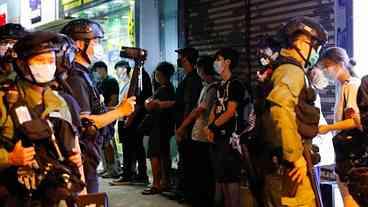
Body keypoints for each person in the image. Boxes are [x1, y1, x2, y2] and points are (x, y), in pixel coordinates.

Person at [0, 31, 84, 206]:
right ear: (23, 65)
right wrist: (10, 158)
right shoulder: (4, 101)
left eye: (51, 61)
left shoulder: (60, 102)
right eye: (40, 61)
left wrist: (83, 192)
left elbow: (75, 151)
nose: (47, 66)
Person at [258, 17, 328, 207]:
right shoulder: (291, 70)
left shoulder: (286, 69)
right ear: (302, 43)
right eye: (315, 47)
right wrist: (296, 158)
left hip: (287, 162)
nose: (316, 53)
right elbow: (280, 109)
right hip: (291, 167)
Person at [61, 19, 136, 193]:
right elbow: (86, 122)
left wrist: (112, 110)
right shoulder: (75, 77)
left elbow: (93, 110)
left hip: (90, 155)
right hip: (82, 156)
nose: (98, 46)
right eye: (95, 41)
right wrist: (119, 111)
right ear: (79, 44)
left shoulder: (83, 73)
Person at [317, 47, 361, 207]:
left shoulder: (352, 86)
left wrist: (327, 128)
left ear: (341, 64)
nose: (326, 71)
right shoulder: (342, 86)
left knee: (351, 198)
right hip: (344, 151)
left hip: (352, 154)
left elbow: (356, 121)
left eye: (327, 66)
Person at [176, 55, 218, 206]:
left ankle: (203, 200)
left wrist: (182, 127)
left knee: (203, 171)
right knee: (199, 170)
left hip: (204, 136)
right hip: (198, 134)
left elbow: (198, 110)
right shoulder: (206, 86)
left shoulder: (213, 87)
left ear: (202, 69)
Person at [205, 48, 243, 207]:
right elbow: (216, 108)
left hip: (231, 138)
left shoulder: (235, 84)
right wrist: (209, 127)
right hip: (219, 138)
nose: (216, 63)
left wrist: (212, 127)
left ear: (228, 62)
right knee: (222, 178)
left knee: (231, 178)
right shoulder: (221, 85)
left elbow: (230, 111)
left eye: (218, 59)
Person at [110, 61, 152, 185]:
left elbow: (137, 104)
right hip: (126, 118)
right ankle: (133, 174)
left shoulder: (138, 81)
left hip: (131, 120)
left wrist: (129, 119)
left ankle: (131, 175)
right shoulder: (127, 83)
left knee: (132, 148)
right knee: (131, 148)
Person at [171, 47, 202, 203]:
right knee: (186, 161)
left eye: (182, 58)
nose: (180, 60)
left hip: (189, 129)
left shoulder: (192, 80)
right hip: (186, 127)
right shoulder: (188, 78)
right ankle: (185, 192)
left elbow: (189, 106)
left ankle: (189, 194)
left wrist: (182, 128)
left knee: (189, 162)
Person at [142, 62, 175, 195]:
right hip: (166, 127)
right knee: (164, 154)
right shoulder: (170, 89)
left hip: (158, 126)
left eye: (156, 73)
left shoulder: (162, 90)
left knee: (154, 154)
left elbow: (149, 106)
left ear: (160, 74)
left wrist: (147, 102)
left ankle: (156, 183)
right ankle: (165, 182)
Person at [93, 61, 121, 179]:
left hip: (109, 114)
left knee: (108, 141)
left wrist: (107, 111)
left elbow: (114, 100)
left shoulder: (111, 81)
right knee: (103, 142)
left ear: (102, 69)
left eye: (97, 70)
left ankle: (113, 169)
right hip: (101, 115)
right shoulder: (100, 83)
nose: (96, 73)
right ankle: (107, 167)